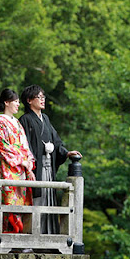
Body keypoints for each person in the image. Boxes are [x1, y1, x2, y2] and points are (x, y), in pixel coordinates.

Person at [19, 85, 81, 234]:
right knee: (37, 200)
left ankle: (50, 236)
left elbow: (56, 141)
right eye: (39, 97)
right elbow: (24, 145)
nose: (42, 100)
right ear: (29, 100)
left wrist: (66, 153)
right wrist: (29, 167)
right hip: (36, 168)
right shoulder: (25, 120)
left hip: (48, 166)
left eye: (43, 97)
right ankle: (33, 237)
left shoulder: (45, 119)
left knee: (50, 200)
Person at [0, 88, 35, 233]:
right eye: (15, 102)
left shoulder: (17, 123)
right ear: (6, 103)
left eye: (19, 102)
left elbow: (25, 146)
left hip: (20, 170)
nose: (18, 105)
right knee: (7, 203)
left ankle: (18, 239)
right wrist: (21, 160)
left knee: (21, 204)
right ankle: (5, 237)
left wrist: (28, 166)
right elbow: (2, 145)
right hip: (7, 168)